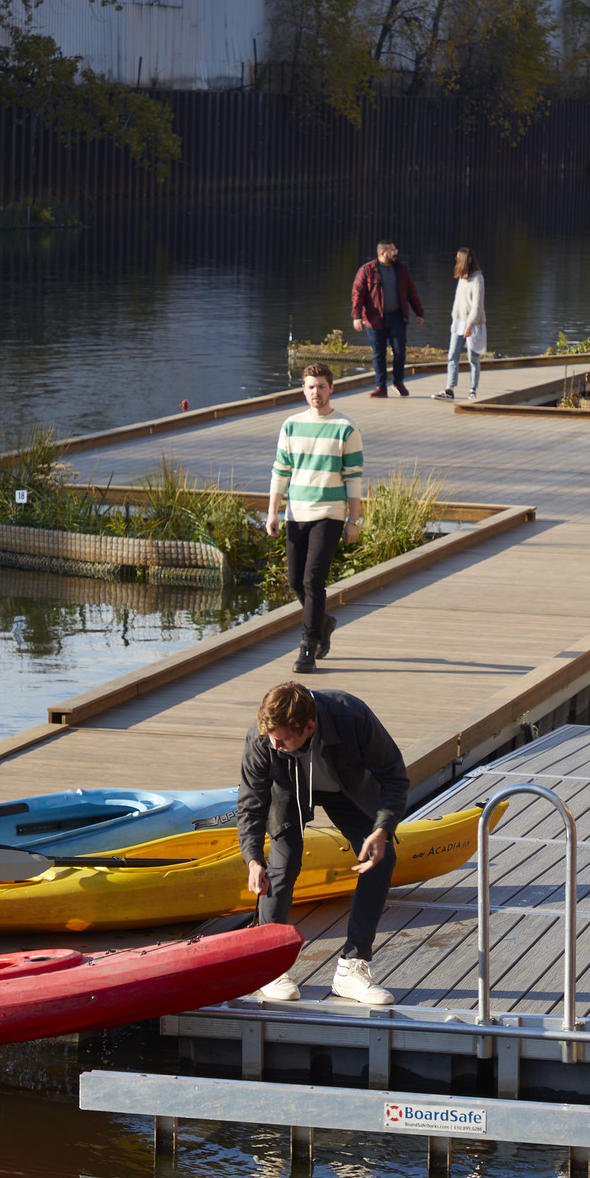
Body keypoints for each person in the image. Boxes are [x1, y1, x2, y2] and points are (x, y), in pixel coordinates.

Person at [239, 681, 409, 1006]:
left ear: (310, 726)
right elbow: (250, 801)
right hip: (287, 788)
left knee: (382, 859)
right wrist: (252, 858)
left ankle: (352, 968)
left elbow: (394, 774)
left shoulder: (352, 715)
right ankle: (270, 966)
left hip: (344, 788)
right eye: (271, 739)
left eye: (282, 739)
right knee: (283, 861)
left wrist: (383, 828)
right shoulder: (264, 737)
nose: (274, 745)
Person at [268, 364, 363, 674]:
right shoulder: (291, 425)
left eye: (321, 386)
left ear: (331, 388)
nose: (316, 392)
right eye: (310, 387)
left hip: (330, 513)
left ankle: (308, 646)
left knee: (313, 580)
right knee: (296, 580)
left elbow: (354, 477)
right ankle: (323, 622)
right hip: (296, 512)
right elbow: (280, 471)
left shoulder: (346, 428)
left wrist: (354, 519)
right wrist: (272, 512)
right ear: (304, 391)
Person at [350, 240, 424, 398]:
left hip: (397, 316)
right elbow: (358, 294)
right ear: (383, 253)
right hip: (374, 318)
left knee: (399, 352)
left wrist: (419, 312)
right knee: (378, 353)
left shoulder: (401, 269)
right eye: (392, 250)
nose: (395, 253)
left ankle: (398, 382)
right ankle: (381, 386)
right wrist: (356, 316)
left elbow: (411, 292)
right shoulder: (367, 270)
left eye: (395, 250)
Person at [437, 247, 486, 401]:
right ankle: (449, 389)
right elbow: (457, 302)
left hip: (474, 323)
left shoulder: (478, 279)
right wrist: (454, 320)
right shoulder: (461, 278)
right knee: (452, 355)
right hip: (458, 321)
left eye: (458, 258)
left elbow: (477, 305)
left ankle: (473, 390)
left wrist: (469, 325)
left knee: (473, 358)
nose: (455, 260)